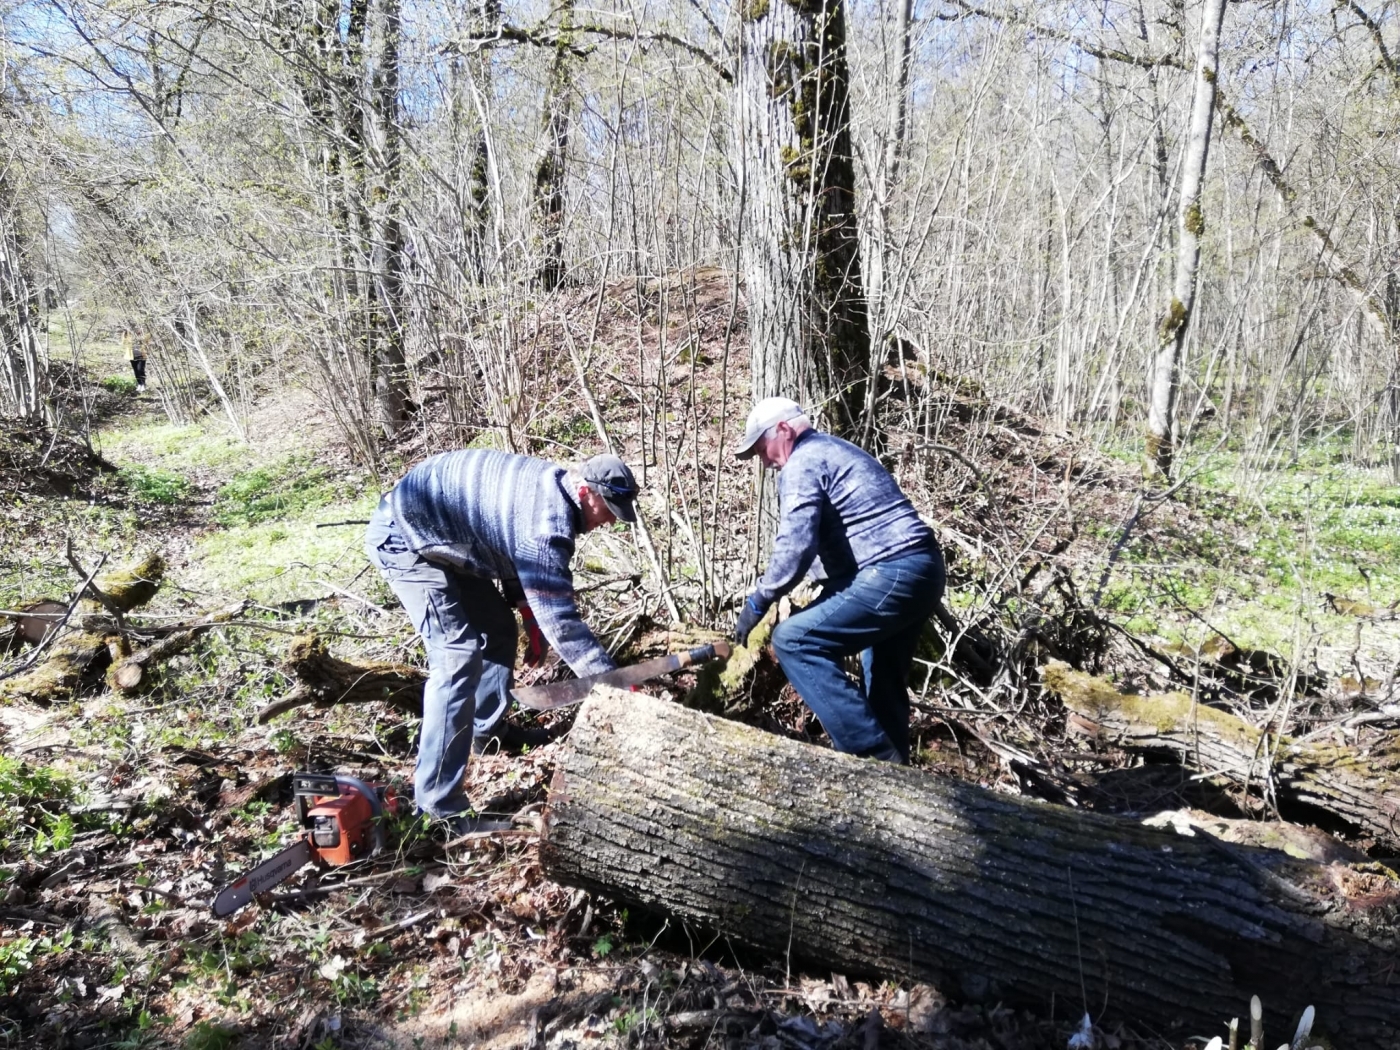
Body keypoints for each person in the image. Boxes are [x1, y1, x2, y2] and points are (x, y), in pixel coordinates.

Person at [366, 449, 640, 831]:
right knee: (457, 658)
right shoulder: (547, 526)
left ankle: (488, 733)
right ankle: (438, 808)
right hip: (405, 537)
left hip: (448, 535)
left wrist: (527, 616)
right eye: (607, 509)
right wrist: (613, 684)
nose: (609, 521)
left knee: (498, 629)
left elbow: (507, 542)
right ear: (584, 493)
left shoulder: (552, 487)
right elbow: (561, 621)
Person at [732, 397, 945, 764]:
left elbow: (796, 543)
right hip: (921, 571)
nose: (764, 462)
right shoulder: (838, 451)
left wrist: (759, 599)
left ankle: (873, 761)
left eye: (762, 449)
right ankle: (901, 783)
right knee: (882, 679)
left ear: (783, 429)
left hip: (891, 571)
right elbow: (837, 541)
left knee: (795, 641)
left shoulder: (802, 462)